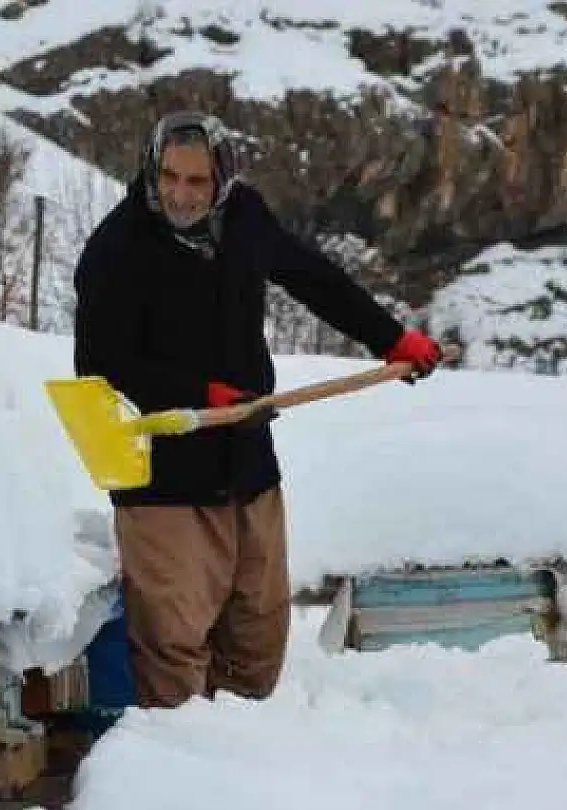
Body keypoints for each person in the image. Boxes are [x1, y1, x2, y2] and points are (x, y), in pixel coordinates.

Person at [72, 110, 443, 710]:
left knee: (259, 636)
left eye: (197, 181)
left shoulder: (243, 218)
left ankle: (249, 762)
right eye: (169, 177)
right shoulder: (118, 250)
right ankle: (170, 779)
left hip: (248, 467)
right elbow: (101, 367)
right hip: (164, 481)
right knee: (174, 647)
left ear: (221, 178)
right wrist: (201, 393)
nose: (181, 194)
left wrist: (389, 338)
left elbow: (312, 277)